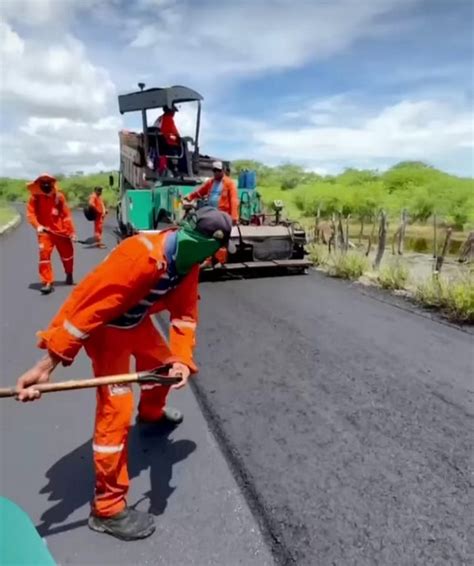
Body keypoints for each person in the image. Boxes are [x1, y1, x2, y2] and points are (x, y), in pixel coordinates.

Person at [15, 207, 234, 542]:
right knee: (114, 415)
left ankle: (151, 414)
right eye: (204, 250)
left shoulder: (188, 264)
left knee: (162, 370)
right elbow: (85, 312)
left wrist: (180, 359)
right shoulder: (139, 257)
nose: (206, 260)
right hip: (107, 331)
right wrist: (47, 365)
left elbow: (185, 316)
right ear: (188, 236)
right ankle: (107, 508)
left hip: (137, 322)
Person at [26, 174, 76, 295]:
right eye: (43, 182)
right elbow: (30, 214)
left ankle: (69, 273)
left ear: (53, 184)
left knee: (67, 255)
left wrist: (71, 232)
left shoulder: (59, 197)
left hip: (60, 232)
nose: (46, 185)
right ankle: (47, 282)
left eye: (48, 182)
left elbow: (66, 215)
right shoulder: (35, 198)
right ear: (39, 184)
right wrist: (38, 226)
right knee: (44, 256)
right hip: (45, 233)